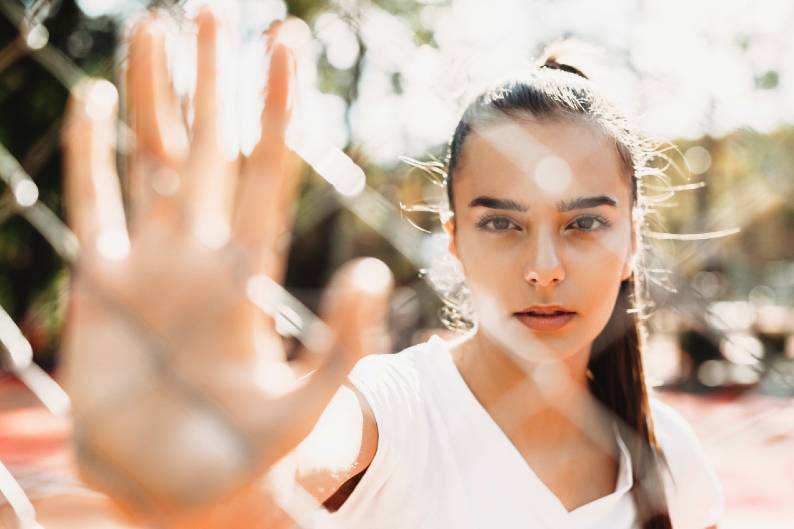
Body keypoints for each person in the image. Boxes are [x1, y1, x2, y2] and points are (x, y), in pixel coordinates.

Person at [59, 7, 723, 529]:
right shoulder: (394, 411)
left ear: (632, 240)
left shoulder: (677, 462)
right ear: (455, 240)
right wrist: (218, 467)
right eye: (502, 223)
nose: (543, 267)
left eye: (583, 224)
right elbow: (305, 458)